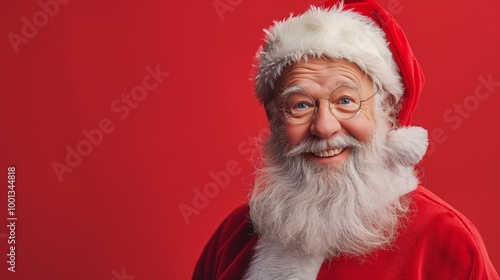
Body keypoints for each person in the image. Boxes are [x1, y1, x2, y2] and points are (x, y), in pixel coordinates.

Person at [193, 0, 500, 279]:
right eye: (301, 105)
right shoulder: (232, 237)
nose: (324, 128)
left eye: (346, 101)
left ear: (386, 111)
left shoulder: (448, 242)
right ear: (275, 119)